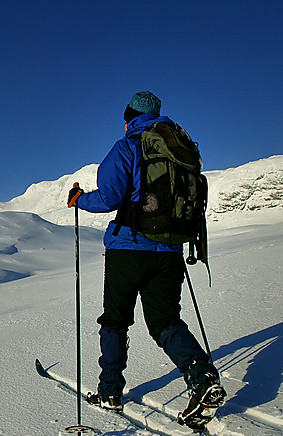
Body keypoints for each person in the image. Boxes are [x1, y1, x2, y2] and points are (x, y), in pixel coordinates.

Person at [66, 91, 225, 416]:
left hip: (128, 249)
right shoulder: (181, 149)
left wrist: (79, 199)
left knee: (115, 321)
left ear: (128, 118)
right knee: (166, 320)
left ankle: (110, 392)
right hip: (170, 250)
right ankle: (201, 375)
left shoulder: (126, 147)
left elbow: (110, 198)